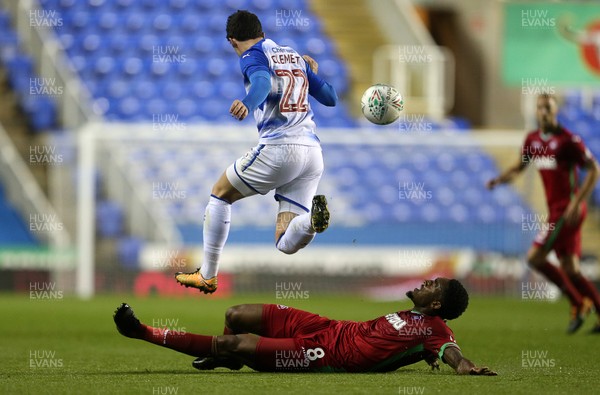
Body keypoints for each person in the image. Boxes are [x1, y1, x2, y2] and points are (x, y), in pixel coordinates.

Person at [175, 11, 338, 294]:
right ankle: (311, 222)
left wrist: (248, 103)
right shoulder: (294, 56)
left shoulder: (251, 55)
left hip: (280, 148)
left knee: (220, 193)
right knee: (284, 240)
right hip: (312, 152)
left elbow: (262, 82)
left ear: (232, 41)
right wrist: (308, 73)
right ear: (261, 31)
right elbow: (331, 98)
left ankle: (208, 275)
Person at [113, 277, 496, 375]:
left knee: (235, 344)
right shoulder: (418, 318)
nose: (427, 281)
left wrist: (464, 366)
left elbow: (451, 351)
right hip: (329, 327)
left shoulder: (436, 330)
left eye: (433, 285)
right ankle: (227, 360)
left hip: (327, 354)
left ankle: (142, 332)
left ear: (436, 304)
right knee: (234, 314)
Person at [487, 93, 600, 334]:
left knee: (534, 258)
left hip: (568, 210)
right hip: (556, 211)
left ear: (555, 110)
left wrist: (576, 201)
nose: (544, 112)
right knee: (571, 269)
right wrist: (498, 180)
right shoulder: (533, 140)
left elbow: (593, 169)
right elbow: (519, 166)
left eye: (548, 108)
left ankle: (579, 303)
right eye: (540, 108)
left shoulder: (569, 140)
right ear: (536, 111)